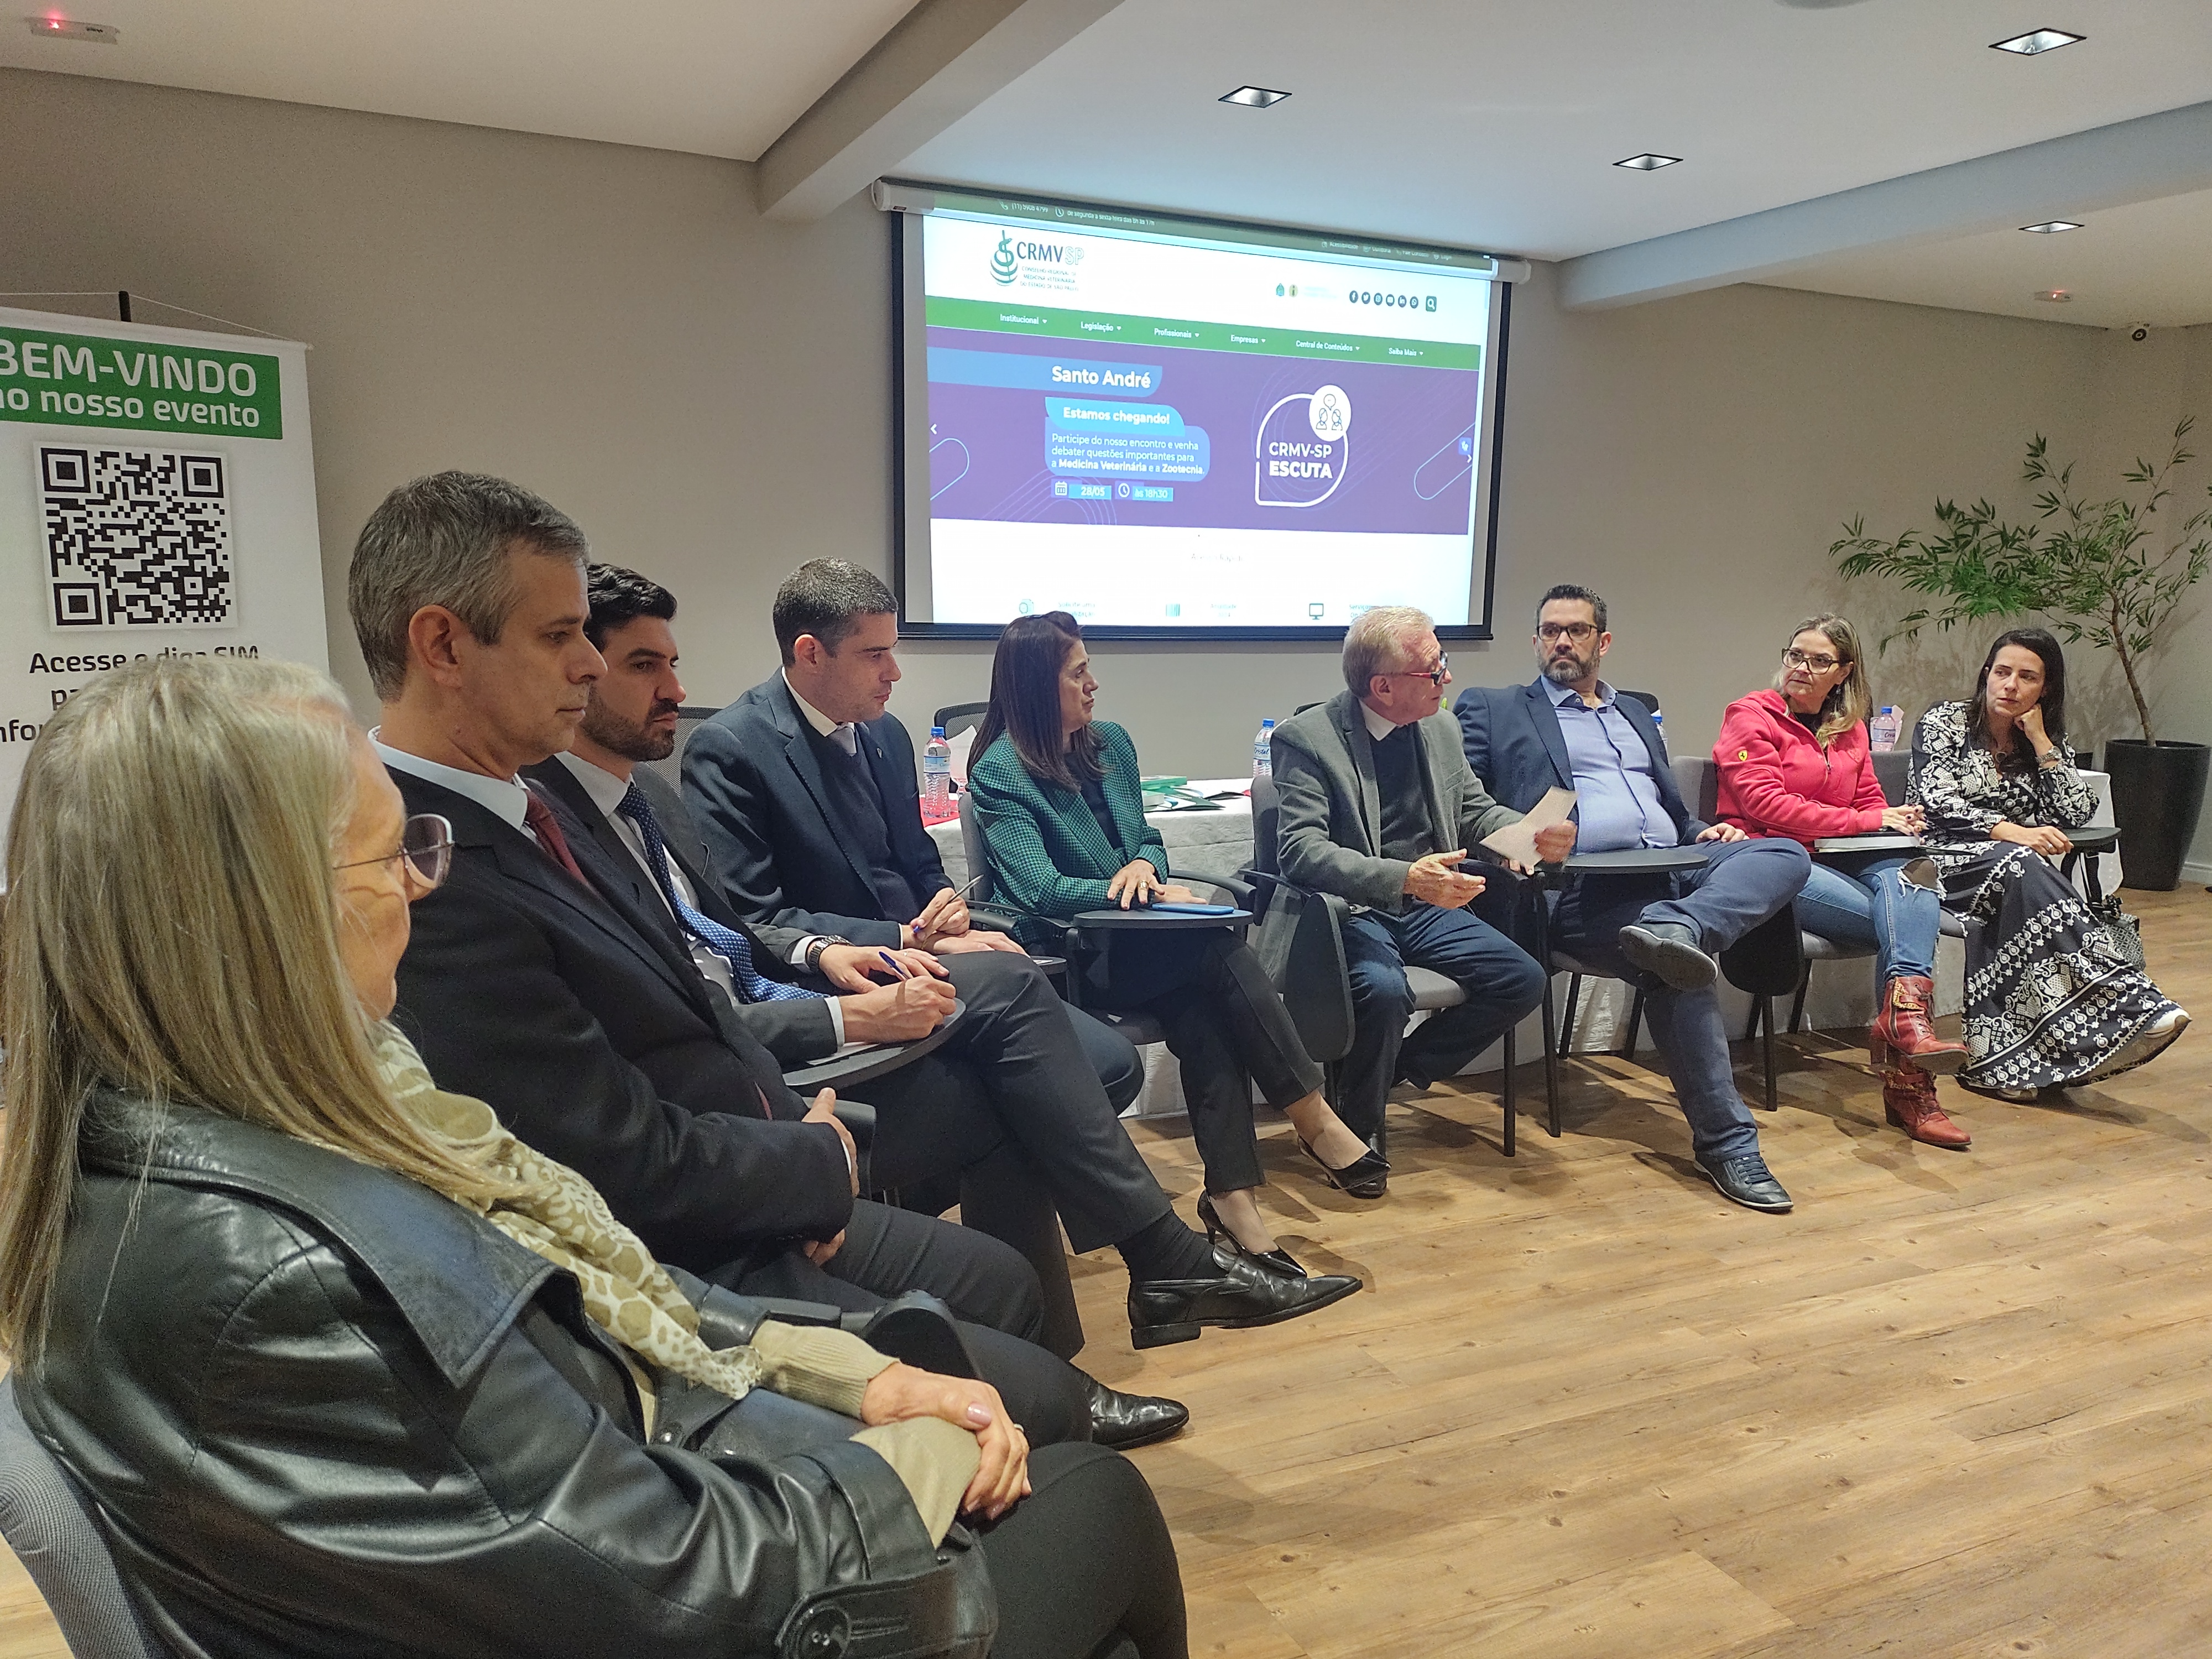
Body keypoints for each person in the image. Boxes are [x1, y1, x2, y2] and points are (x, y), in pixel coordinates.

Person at [0, 654, 1188, 1659]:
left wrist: (849, 1382)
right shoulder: (277, 1269)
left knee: (994, 1359)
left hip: (635, 1442)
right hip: (652, 1548)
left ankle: (1164, 1261)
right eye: (389, 857)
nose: (419, 885)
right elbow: (663, 1580)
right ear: (255, 913)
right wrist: (904, 1460)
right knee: (1094, 1505)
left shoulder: (306, 1103)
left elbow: (588, 1293)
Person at [357, 473, 1341, 1379]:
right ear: (809, 655)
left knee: (1080, 1027)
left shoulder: (606, 796)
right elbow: (726, 955)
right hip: (766, 1081)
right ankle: (1132, 1295)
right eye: (567, 641)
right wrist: (829, 1058)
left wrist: (942, 920)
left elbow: (807, 910)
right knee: (1033, 1044)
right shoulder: (489, 836)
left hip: (809, 1016)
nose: (895, 675)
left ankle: (1090, 1342)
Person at [966, 611, 1368, 1292]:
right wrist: (1131, 890)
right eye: (1077, 673)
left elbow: (1147, 838)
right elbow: (1037, 889)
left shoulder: (1111, 744)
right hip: (1080, 958)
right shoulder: (1001, 772)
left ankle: (1235, 1206)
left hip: (1150, 952)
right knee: (1215, 950)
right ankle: (1311, 1112)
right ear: (1037, 685)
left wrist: (1144, 870)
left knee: (1209, 1016)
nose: (1094, 683)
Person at [680, 557, 1143, 1113]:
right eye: (875, 655)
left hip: (933, 957)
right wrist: (909, 938)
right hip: (850, 976)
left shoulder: (888, 734)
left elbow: (922, 866)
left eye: (892, 650)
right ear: (810, 654)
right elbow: (755, 919)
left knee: (1104, 1066)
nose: (894, 672)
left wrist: (944, 909)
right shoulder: (731, 748)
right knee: (1065, 1077)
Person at [1457, 584, 1812, 1214]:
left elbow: (1666, 808)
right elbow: (1464, 814)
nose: (1561, 641)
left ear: (1603, 641)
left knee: (1783, 853)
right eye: (1549, 631)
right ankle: (1729, 1145)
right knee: (1677, 971)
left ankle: (1680, 925)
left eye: (1576, 630)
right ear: (1535, 641)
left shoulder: (1635, 711)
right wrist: (1531, 840)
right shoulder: (1494, 707)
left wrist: (1700, 832)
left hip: (1676, 872)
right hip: (1585, 890)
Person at [1269, 607, 1561, 1182]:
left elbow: (1473, 810)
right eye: (1433, 670)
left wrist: (1529, 836)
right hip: (1352, 909)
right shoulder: (1305, 740)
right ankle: (1357, 1126)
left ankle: (1380, 1079)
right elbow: (1300, 852)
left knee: (1522, 979)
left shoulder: (1440, 727)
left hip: (1429, 905)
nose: (1446, 679)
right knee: (1381, 991)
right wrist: (1402, 878)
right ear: (1382, 686)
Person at [1714, 614, 1972, 1149]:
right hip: (1779, 860)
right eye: (1795, 656)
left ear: (1844, 671)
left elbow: (1870, 800)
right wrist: (1868, 822)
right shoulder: (1750, 715)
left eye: (1819, 661)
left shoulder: (1850, 727)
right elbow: (1766, 805)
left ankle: (1904, 1019)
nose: (1802, 669)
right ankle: (1910, 1087)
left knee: (1915, 873)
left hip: (1847, 859)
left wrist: (1894, 821)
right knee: (1907, 927)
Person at [1908, 628, 2189, 1099]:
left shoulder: (2039, 736)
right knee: (2022, 866)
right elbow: (1937, 802)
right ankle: (2127, 1000)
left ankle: (2001, 1064)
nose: (2010, 686)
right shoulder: (1945, 721)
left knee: (2015, 888)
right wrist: (2011, 831)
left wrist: (2041, 742)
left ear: (2047, 688)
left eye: (2026, 677)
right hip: (1938, 859)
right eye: (2001, 672)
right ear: (1986, 675)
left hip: (2007, 868)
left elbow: (2077, 812)